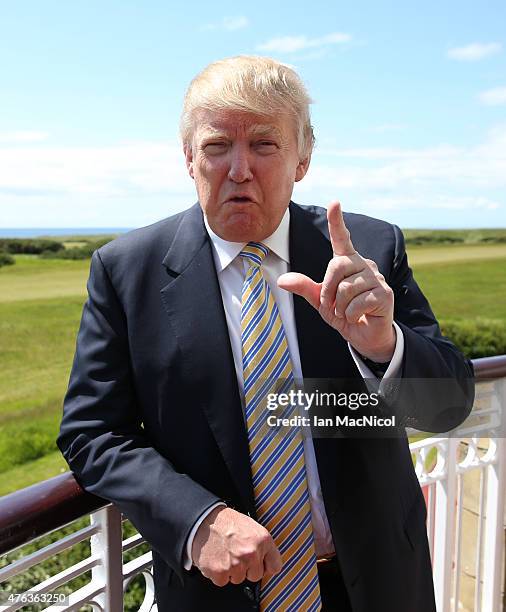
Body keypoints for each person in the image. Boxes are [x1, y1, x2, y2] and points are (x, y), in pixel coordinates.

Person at [57, 55, 474, 611]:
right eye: (215, 147)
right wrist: (195, 519)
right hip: (219, 596)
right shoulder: (126, 270)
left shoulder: (366, 253)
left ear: (302, 159)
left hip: (378, 584)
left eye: (264, 144)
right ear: (187, 157)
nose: (238, 169)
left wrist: (383, 347)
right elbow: (93, 432)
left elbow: (446, 408)